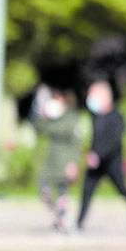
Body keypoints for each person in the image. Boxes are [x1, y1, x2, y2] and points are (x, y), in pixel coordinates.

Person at [76, 80, 126, 233]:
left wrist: (98, 155)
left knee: (122, 189)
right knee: (86, 192)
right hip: (95, 163)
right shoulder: (95, 116)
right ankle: (79, 223)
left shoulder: (116, 117)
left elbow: (113, 142)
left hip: (111, 163)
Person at [29, 85, 80, 233]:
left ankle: (63, 221)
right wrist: (40, 112)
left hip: (65, 160)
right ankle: (59, 217)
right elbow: (39, 128)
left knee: (61, 194)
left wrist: (73, 163)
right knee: (43, 190)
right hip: (51, 160)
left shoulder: (71, 118)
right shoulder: (52, 118)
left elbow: (75, 142)